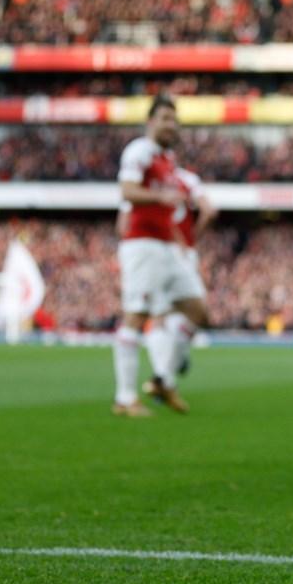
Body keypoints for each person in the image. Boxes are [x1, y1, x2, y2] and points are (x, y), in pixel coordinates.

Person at [112, 94, 203, 417]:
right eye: (165, 118)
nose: (170, 125)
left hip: (167, 245)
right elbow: (127, 191)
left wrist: (178, 238)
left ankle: (163, 379)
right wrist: (160, 196)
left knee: (198, 309)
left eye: (174, 119)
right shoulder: (139, 151)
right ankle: (124, 399)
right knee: (136, 316)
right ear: (150, 121)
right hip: (143, 244)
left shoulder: (168, 159)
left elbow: (167, 207)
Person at [117, 168, 218, 410]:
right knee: (178, 315)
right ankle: (159, 380)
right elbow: (210, 210)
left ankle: (163, 376)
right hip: (170, 251)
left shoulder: (145, 180)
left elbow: (123, 223)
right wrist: (191, 238)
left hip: (161, 250)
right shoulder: (184, 178)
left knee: (168, 316)